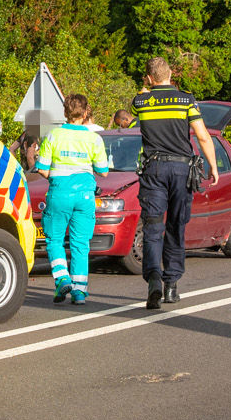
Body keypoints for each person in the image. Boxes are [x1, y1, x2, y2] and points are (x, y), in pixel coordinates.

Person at [131, 56, 218, 309]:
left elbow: (133, 110)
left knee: (152, 227)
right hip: (181, 170)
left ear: (149, 78)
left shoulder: (141, 102)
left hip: (153, 170)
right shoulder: (186, 100)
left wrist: (145, 90)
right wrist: (213, 166)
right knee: (176, 226)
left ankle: (153, 280)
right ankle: (171, 286)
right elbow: (202, 136)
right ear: (170, 75)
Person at [35, 93, 110, 305]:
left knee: (55, 240)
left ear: (65, 112)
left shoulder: (53, 135)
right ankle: (79, 292)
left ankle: (62, 278)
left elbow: (41, 169)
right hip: (85, 196)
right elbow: (103, 172)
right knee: (80, 244)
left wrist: (59, 178)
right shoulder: (94, 138)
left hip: (60, 193)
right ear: (85, 113)